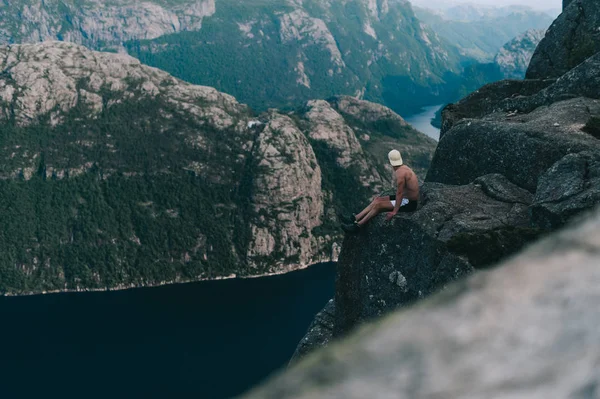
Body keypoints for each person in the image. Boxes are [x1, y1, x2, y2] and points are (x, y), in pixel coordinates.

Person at [341, 150, 419, 233]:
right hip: (406, 198)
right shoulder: (404, 168)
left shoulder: (400, 173)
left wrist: (394, 212)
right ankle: (355, 218)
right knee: (377, 199)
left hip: (409, 203)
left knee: (378, 205)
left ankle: (358, 226)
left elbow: (399, 193)